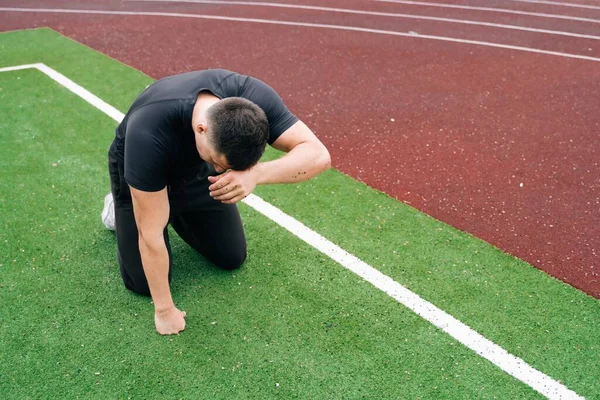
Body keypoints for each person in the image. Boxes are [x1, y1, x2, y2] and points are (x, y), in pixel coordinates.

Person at [103, 69, 330, 335]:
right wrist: (164, 310)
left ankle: (176, 206)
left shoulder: (252, 99)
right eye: (219, 164)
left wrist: (256, 174)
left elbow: (318, 155)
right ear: (201, 128)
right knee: (142, 283)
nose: (222, 171)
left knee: (231, 256)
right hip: (144, 171)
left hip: (196, 170)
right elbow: (149, 234)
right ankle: (117, 208)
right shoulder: (149, 130)